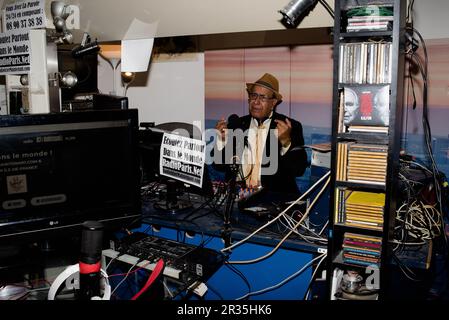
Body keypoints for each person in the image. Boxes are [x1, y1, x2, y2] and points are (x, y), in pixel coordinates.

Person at [213, 73, 308, 195]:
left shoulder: (289, 126)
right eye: (253, 96)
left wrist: (286, 142)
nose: (256, 102)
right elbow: (218, 166)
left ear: (273, 102)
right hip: (236, 198)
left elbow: (299, 170)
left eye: (262, 97)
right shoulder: (237, 124)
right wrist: (221, 141)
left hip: (272, 200)